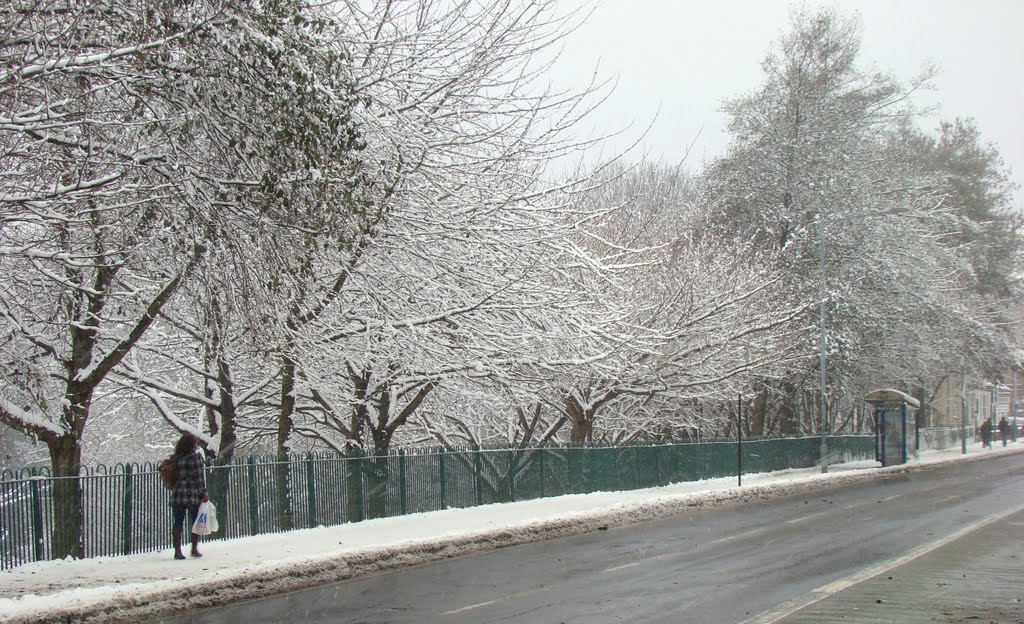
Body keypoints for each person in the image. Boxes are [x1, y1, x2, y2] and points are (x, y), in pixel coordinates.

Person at [170, 433, 208, 560]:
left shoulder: (175, 458)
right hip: (192, 494)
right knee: (195, 522)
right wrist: (203, 493)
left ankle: (177, 551)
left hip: (178, 494)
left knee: (178, 523)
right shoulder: (195, 458)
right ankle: (194, 548)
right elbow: (199, 478)